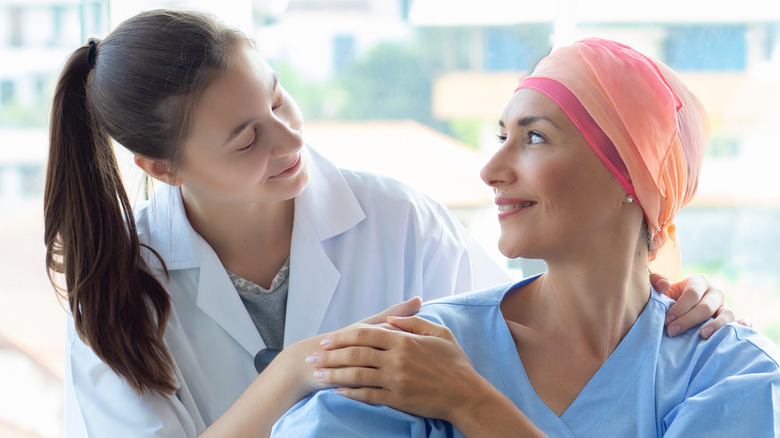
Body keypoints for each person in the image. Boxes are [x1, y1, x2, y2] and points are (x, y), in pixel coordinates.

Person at [43, 9, 736, 437]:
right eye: (247, 140)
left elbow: (535, 331)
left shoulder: (396, 219)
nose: (289, 143)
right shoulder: (114, 293)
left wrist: (662, 291)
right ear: (163, 168)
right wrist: (291, 373)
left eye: (280, 102)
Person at [271, 38, 780, 437]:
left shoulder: (730, 371)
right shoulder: (421, 351)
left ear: (631, 174)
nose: (491, 169)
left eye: (534, 137)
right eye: (501, 136)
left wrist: (470, 403)